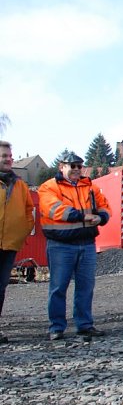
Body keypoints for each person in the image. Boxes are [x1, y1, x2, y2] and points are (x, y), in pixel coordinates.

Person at [38, 153, 111, 341]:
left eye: (79, 165)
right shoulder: (49, 187)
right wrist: (83, 216)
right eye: (73, 165)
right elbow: (53, 209)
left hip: (87, 244)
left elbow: (104, 206)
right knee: (58, 288)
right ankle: (56, 327)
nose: (77, 169)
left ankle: (84, 325)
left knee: (86, 287)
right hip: (60, 245)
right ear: (62, 167)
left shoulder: (90, 187)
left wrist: (101, 217)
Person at [0, 141, 35, 344]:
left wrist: (20, 234)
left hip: (9, 245)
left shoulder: (20, 185)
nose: (9, 159)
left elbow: (28, 212)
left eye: (10, 156)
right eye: (4, 155)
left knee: (0, 289)